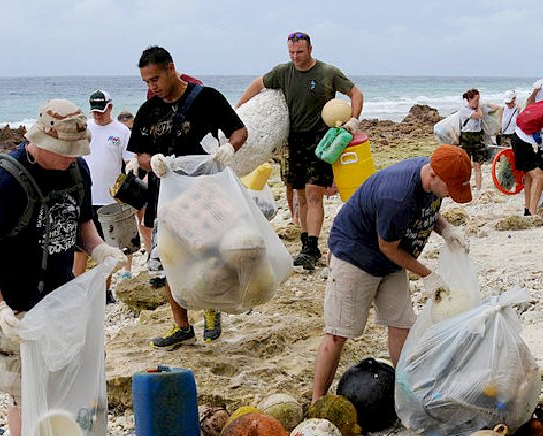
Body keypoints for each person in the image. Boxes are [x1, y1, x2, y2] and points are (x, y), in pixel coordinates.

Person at [0, 99, 127, 436]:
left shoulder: (76, 170)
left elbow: (82, 220)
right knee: (24, 392)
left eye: (76, 151)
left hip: (61, 298)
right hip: (14, 306)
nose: (72, 157)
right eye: (65, 151)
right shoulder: (2, 182)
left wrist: (98, 249)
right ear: (41, 140)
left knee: (64, 383)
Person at [311, 144, 472, 401]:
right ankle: (317, 399)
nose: (451, 195)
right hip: (357, 255)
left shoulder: (435, 172)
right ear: (433, 175)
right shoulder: (396, 196)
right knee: (339, 332)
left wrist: (447, 229)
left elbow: (429, 210)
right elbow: (387, 247)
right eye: (450, 189)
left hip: (394, 257)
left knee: (402, 324)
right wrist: (427, 274)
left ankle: (405, 392)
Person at [126, 46, 248, 349]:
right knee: (166, 259)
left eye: (155, 79)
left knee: (206, 253)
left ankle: (211, 308)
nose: (151, 87)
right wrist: (151, 162)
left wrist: (230, 148)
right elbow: (139, 152)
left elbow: (239, 131)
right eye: (146, 82)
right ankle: (182, 326)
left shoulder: (207, 98)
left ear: (171, 69)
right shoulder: (148, 110)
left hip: (204, 192)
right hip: (163, 194)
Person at [237, 31, 364, 271]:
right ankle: (307, 242)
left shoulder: (328, 73)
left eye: (300, 52)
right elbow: (257, 84)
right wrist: (239, 108)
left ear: (310, 49)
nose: (295, 57)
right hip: (294, 142)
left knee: (314, 193)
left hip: (321, 141)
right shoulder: (284, 72)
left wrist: (354, 120)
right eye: (292, 52)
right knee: (301, 197)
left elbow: (356, 93)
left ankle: (312, 246)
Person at [73, 90, 135, 302]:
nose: (98, 115)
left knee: (108, 248)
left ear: (110, 107)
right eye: (95, 111)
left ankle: (105, 292)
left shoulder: (122, 131)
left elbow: (129, 163)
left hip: (110, 201)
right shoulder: (85, 128)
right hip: (85, 198)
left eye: (102, 110)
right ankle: (75, 291)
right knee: (79, 248)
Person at [117, 110, 153, 259]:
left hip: (143, 177)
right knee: (133, 219)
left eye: (130, 128)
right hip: (126, 179)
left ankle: (151, 253)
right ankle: (140, 255)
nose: (128, 131)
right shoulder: (121, 135)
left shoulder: (142, 133)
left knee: (145, 219)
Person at [458, 88, 500, 192]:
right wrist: (479, 107)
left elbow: (497, 107)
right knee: (466, 165)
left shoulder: (479, 107)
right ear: (469, 99)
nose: (477, 102)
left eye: (478, 100)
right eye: (475, 100)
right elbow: (479, 116)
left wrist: (484, 104)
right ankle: (464, 186)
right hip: (467, 138)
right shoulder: (464, 110)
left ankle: (478, 188)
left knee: (477, 165)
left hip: (477, 138)